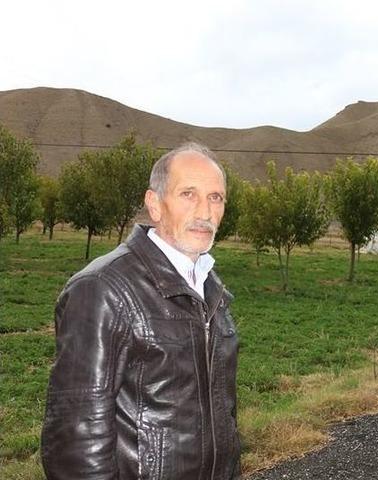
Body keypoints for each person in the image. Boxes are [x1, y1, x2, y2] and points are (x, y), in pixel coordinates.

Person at [41, 142, 240, 479]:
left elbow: (221, 414)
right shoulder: (103, 288)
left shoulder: (209, 287)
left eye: (215, 197)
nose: (205, 212)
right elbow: (75, 439)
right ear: (155, 204)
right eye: (188, 194)